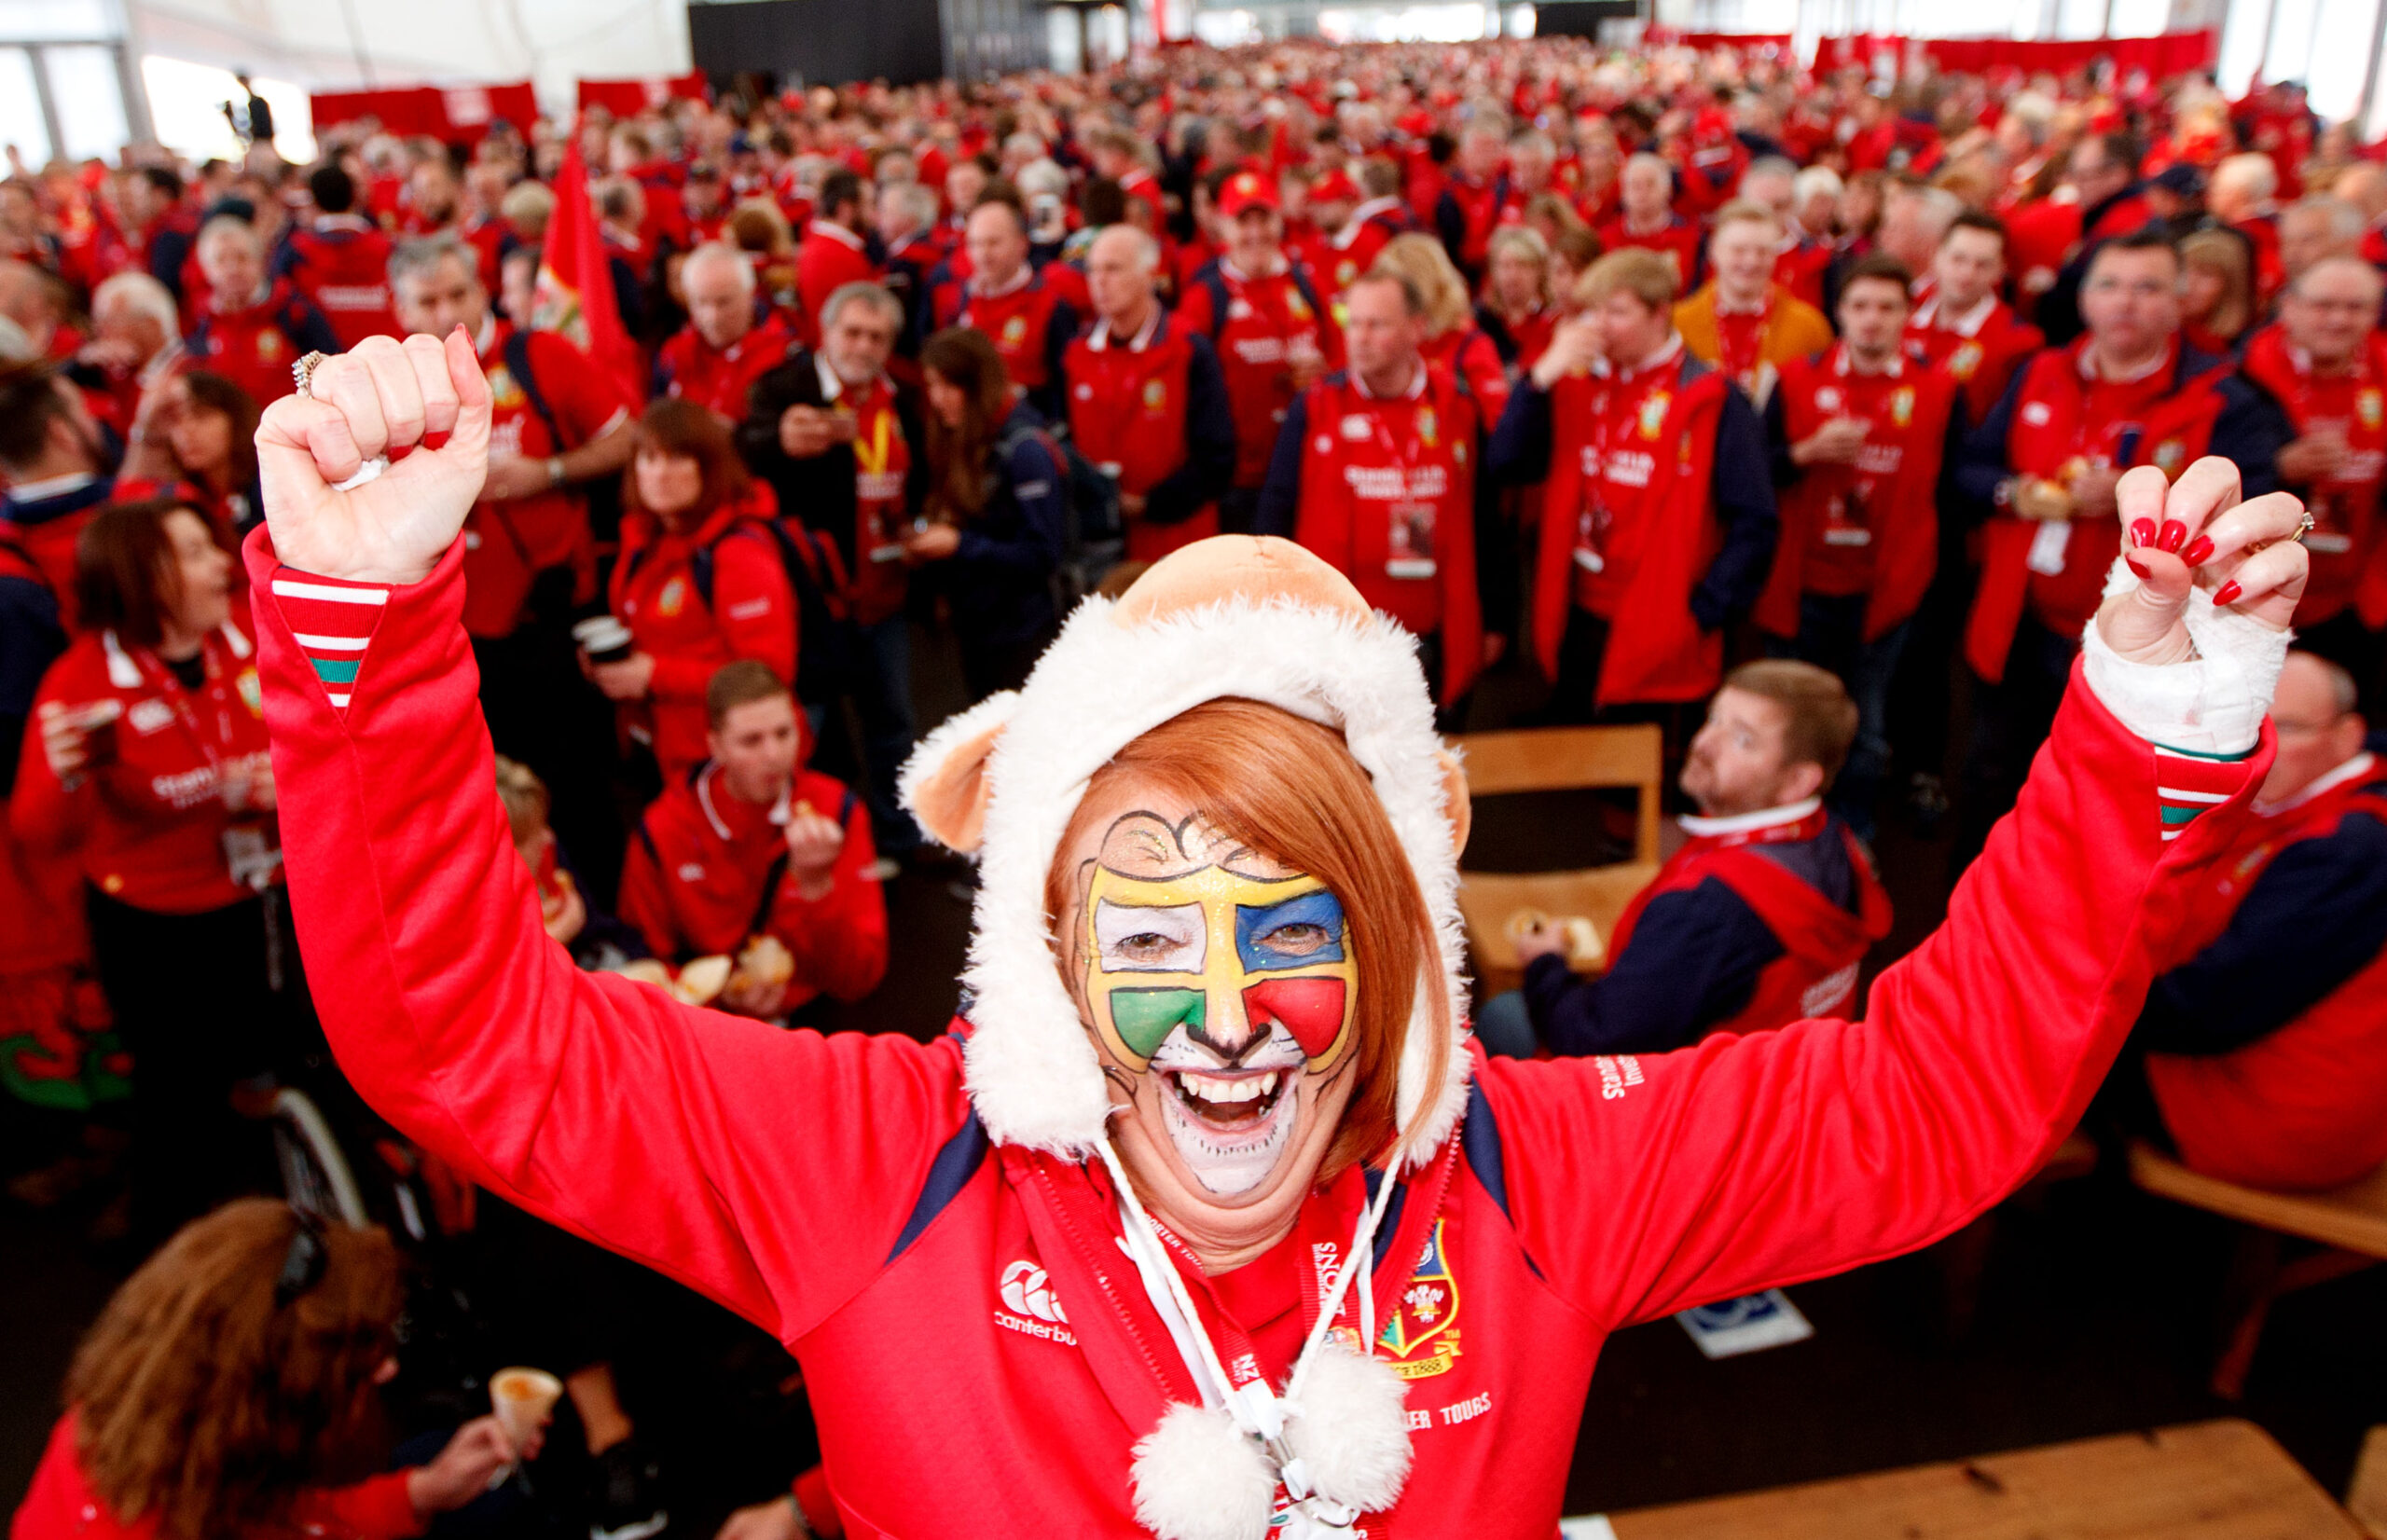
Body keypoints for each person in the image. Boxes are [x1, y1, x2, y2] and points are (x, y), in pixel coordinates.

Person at [243, 318, 2308, 1534]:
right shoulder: (875, 1165)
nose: (1223, 1018)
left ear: (1401, 940)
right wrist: (360, 640)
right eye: (1146, 927)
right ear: (1046, 959)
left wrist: (2139, 733)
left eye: (1291, 916)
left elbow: (1939, 1101)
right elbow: (465, 1032)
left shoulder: (1535, 1173)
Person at [1952, 229, 2293, 864]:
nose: (2124, 303)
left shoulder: (2226, 399)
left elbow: (2256, 521)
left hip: (2143, 656)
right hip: (2019, 628)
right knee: (1992, 779)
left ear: (2179, 301)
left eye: (2147, 287)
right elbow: (1968, 473)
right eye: (2108, 285)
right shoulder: (2039, 372)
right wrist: (2017, 492)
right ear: (2084, 298)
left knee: (2099, 813)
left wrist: (2153, 499)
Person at [11, 498, 281, 1245]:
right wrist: (64, 778)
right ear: (144, 578)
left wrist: (283, 780)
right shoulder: (81, 685)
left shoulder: (249, 639)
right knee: (175, 1092)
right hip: (152, 924)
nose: (221, 564)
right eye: (194, 553)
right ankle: (168, 1239)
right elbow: (40, 837)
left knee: (268, 1062)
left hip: (260, 893)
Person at [10, 1199, 541, 1540]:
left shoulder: (108, 1431)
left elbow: (282, 1507)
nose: (387, 1369)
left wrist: (423, 1490)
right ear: (271, 1402)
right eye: (359, 1364)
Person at [1475, 661, 1891, 1060]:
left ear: (1798, 782)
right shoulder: (1834, 839)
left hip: (1691, 1104)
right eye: (1714, 718)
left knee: (1503, 1016)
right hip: (1784, 1077)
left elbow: (1594, 1038)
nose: (1704, 743)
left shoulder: (1706, 910)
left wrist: (1545, 962)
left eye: (1743, 739)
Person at [386, 232, 637, 895]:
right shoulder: (393, 390)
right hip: (456, 639)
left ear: (484, 289)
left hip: (549, 622)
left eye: (457, 294)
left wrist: (547, 472)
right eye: (427, 301)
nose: (446, 313)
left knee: (580, 791)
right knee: (492, 806)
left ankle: (611, 928)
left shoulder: (539, 354)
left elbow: (625, 439)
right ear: (401, 310)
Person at [2133, 651, 2387, 1191]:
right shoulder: (2304, 806)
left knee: (2028, 1055)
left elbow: (2211, 1009)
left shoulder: (2354, 848)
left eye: (2288, 728)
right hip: (2260, 1075)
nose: (2260, 747)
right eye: (2246, 724)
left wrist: (2078, 1004)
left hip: (2278, 1119)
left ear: (2348, 738)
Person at [1490, 248, 1775, 727]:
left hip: (1663, 625)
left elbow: (1757, 524)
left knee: (1640, 783)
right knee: (1581, 765)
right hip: (1579, 613)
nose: (1600, 326)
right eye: (1593, 312)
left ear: (1660, 313)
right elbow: (1506, 461)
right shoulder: (1578, 385)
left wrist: (1702, 614)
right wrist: (1539, 377)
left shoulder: (1713, 398)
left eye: (1617, 312)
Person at [1759, 256, 1959, 836]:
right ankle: (1778, 833)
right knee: (1786, 719)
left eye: (1887, 307)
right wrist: (1804, 455)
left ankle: (1852, 839)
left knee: (1865, 726)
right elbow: (1755, 474)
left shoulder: (1939, 388)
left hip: (1882, 591)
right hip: (1799, 589)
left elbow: (1947, 494)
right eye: (1860, 307)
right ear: (1839, 313)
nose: (1872, 320)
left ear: (1908, 315)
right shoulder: (1795, 379)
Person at [1256, 268, 1498, 717]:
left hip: (1431, 635)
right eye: (1353, 322)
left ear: (1416, 328)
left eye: (1377, 324)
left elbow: (1485, 518)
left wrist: (1496, 621)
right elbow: (1274, 518)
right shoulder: (1313, 407)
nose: (1359, 338)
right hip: (1339, 640)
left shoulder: (1457, 407)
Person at [739, 281, 925, 862]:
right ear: (825, 332)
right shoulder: (785, 389)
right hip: (811, 606)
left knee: (892, 725)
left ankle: (901, 839)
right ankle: (827, 850)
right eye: (852, 332)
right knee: (810, 737)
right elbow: (739, 449)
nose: (863, 346)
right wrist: (777, 441)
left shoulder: (903, 397)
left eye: (877, 337)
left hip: (885, 595)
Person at [617, 661, 887, 1023]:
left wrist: (817, 888)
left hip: (815, 1015)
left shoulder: (836, 811)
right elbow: (641, 964)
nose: (774, 755)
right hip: (709, 1022)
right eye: (751, 741)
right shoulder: (664, 829)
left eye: (783, 733)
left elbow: (860, 979)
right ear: (715, 745)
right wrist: (719, 998)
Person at [596, 399, 798, 781]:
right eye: (649, 458)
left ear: (709, 466)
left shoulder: (738, 555)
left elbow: (767, 674)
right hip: (664, 750)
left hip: (730, 763)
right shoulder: (646, 539)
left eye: (677, 459)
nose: (659, 473)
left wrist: (654, 676)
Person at [2239, 255, 2387, 693]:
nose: (2339, 320)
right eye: (2324, 305)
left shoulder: (2381, 367)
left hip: (2353, 600)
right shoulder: (2244, 372)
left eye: (2357, 307)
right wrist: (2278, 468)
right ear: (2289, 307)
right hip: (2250, 596)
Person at [905, 325, 1068, 699]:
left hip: (1024, 637)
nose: (938, 399)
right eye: (931, 385)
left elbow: (1044, 555)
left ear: (977, 385)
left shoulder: (1024, 450)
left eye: (949, 386)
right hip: (977, 630)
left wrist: (959, 545)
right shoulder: (961, 439)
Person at [1175, 170, 1333, 539]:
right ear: (1224, 228)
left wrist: (1324, 370)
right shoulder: (1205, 296)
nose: (1255, 233)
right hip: (1239, 482)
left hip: (1306, 471)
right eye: (1242, 222)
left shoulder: (1308, 284)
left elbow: (1343, 359)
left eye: (1264, 220)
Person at [1062, 226, 1235, 561]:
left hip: (1176, 544)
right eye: (1092, 269)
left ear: (1149, 274)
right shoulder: (1076, 351)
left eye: (1113, 268)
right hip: (1096, 546)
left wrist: (1146, 505)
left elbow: (1217, 459)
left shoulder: (1188, 348)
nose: (1099, 280)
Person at [1675, 199, 1832, 409]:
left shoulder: (1810, 327)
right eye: (1738, 251)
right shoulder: (1677, 325)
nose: (1751, 262)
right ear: (1714, 251)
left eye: (1762, 251)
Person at [931, 198, 1077, 421]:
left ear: (1021, 244)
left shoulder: (1051, 306)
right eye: (975, 244)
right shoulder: (957, 301)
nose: (983, 254)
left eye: (993, 243)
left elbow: (1062, 393)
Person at [0, 363, 118, 626]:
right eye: (85, 412)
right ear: (61, 432)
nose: (95, 424)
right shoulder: (154, 511)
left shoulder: (7, 558)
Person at [184, 216, 341, 409]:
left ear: (261, 261)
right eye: (221, 260)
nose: (233, 269)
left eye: (242, 257)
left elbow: (331, 370)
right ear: (206, 269)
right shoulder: (199, 323)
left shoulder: (294, 312)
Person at [1905, 210, 2046, 423]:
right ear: (1937, 256)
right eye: (1958, 259)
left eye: (1983, 264)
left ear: (2000, 269)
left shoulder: (2018, 342)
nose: (1967, 274)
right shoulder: (1901, 312)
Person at [117, 370, 263, 550]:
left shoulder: (268, 479)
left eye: (201, 416)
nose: (186, 431)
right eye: (175, 420)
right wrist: (146, 435)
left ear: (235, 418)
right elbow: (121, 525)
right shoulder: (185, 497)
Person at [655, 243, 799, 422]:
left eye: (724, 302)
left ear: (750, 294)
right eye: (701, 303)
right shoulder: (673, 355)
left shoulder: (786, 357)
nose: (712, 317)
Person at [275, 164, 396, 349]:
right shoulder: (388, 248)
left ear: (313, 203)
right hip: (388, 357)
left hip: (323, 363)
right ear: (355, 197)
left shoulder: (295, 252)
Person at [795, 168, 879, 347]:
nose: (874, 214)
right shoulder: (837, 255)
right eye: (869, 204)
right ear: (846, 209)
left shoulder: (824, 245)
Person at [1597, 152, 1704, 293]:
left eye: (1651, 184)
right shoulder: (1606, 238)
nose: (1642, 192)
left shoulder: (1691, 235)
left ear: (1668, 190)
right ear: (1623, 193)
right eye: (1635, 186)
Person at [1476, 225, 1556, 377]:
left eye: (1522, 266)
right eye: (1505, 266)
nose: (1513, 276)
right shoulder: (1480, 321)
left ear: (1539, 270)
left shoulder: (1552, 320)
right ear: (1494, 271)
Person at [2178, 228, 2255, 356]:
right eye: (2183, 270)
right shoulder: (2158, 337)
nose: (2189, 283)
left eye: (2206, 274)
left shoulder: (2243, 352)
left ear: (2230, 287)